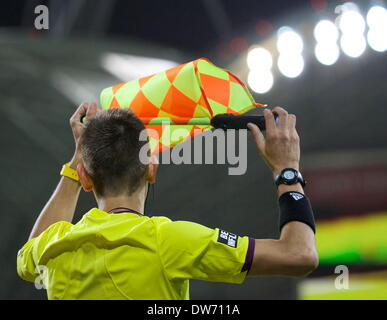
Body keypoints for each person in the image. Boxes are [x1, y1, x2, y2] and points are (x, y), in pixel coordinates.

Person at [17, 102, 318, 300]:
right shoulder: (168, 241)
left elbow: (29, 252)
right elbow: (299, 255)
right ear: (151, 168)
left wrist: (78, 156)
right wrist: (287, 169)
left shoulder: (53, 246)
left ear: (84, 178)